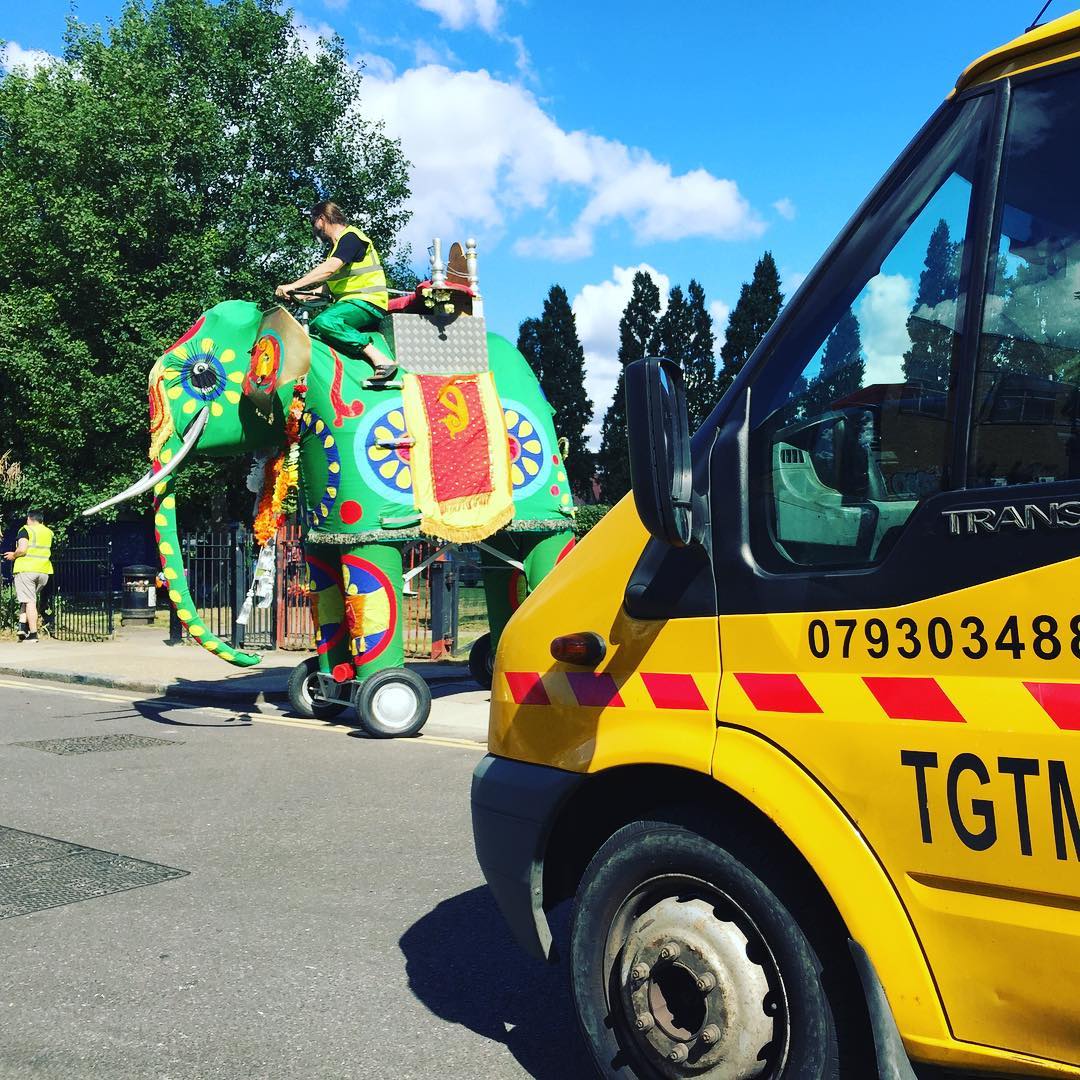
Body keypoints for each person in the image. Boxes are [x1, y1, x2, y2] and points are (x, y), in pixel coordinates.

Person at [275, 201, 396, 379]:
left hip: (368, 302)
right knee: (314, 329)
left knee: (326, 321)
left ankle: (380, 359)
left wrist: (293, 285)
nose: (315, 229)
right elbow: (329, 286)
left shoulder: (351, 238)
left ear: (322, 219)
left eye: (314, 223)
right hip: (351, 303)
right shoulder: (337, 248)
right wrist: (302, 295)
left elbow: (329, 269)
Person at [3, 510, 53, 643]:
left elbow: (22, 549)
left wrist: (13, 555)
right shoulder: (48, 532)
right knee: (28, 599)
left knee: (29, 601)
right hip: (44, 570)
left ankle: (33, 634)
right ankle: (22, 627)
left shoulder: (25, 530)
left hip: (26, 569)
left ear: (29, 519)